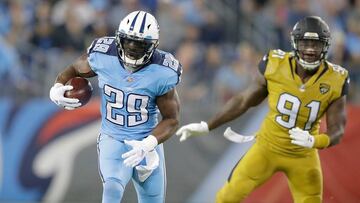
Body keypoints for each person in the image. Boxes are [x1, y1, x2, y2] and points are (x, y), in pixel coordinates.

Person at [176, 16, 349, 203]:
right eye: (305, 43)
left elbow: (337, 129)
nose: (309, 50)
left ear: (325, 46)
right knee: (227, 197)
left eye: (316, 44)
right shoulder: (275, 64)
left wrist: (314, 140)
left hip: (303, 155)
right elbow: (244, 101)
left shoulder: (336, 79)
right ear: (294, 42)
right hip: (267, 148)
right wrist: (207, 125)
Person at [49, 11, 182, 203]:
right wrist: (57, 87)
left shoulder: (162, 72)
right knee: (112, 189)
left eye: (141, 44)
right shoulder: (103, 55)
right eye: (129, 41)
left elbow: (172, 119)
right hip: (113, 138)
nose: (133, 48)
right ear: (119, 38)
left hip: (146, 143)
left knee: (153, 199)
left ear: (154, 45)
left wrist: (149, 143)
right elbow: (73, 69)